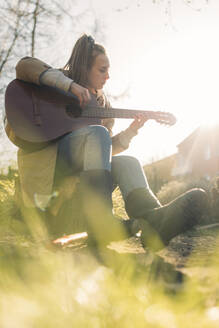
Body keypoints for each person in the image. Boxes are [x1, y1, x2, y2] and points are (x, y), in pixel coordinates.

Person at [10, 34, 208, 250]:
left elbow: (103, 150)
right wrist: (70, 87)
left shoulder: (104, 106)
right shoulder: (57, 81)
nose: (108, 76)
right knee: (97, 133)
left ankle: (154, 221)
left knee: (128, 161)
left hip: (81, 178)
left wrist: (131, 132)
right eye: (102, 70)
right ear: (85, 69)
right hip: (50, 170)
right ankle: (101, 221)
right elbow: (24, 65)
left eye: (108, 70)